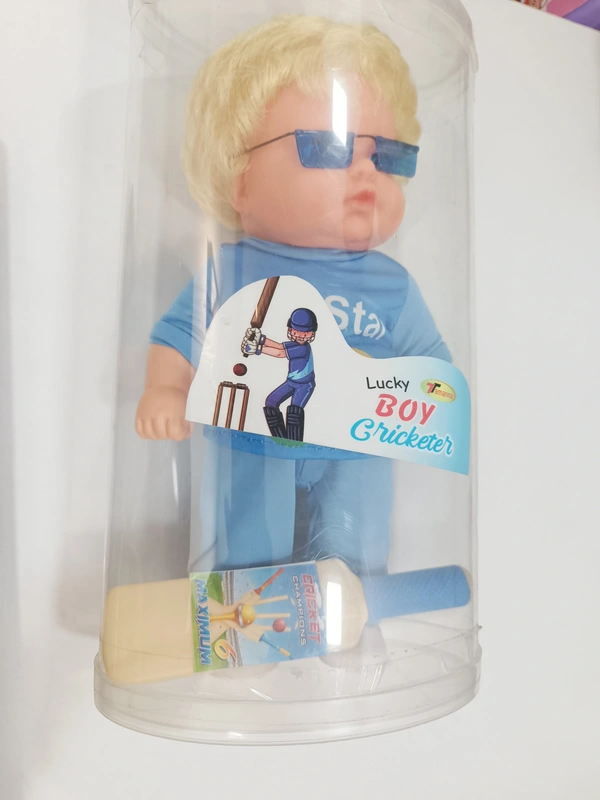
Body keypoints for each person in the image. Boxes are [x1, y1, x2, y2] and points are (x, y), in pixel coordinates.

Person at [135, 15, 450, 576]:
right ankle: (247, 603)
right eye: (329, 149)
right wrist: (166, 388)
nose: (366, 174)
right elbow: (182, 334)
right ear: (242, 180)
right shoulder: (234, 270)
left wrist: (427, 407)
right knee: (249, 541)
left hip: (358, 445)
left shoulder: (392, 286)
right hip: (255, 442)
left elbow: (433, 368)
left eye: (387, 157)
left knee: (357, 541)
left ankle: (353, 599)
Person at [242, 307, 319, 442]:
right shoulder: (295, 344)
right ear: (291, 330)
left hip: (304, 386)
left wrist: (257, 349)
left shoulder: (302, 349)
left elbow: (280, 353)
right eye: (296, 331)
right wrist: (259, 338)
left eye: (305, 333)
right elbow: (279, 346)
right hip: (291, 382)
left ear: (312, 333)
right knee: (271, 402)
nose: (300, 336)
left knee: (294, 411)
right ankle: (279, 440)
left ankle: (294, 443)